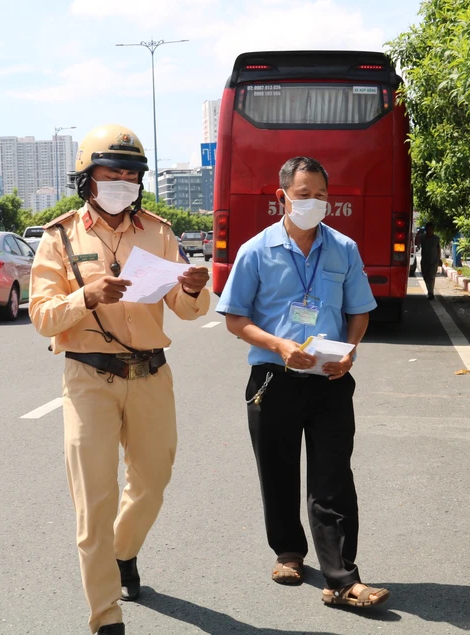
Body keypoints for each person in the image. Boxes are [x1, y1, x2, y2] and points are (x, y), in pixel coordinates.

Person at [29, 124, 211, 635]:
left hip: (151, 374)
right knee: (95, 501)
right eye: (112, 174)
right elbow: (42, 316)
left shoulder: (159, 232)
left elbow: (187, 309)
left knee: (152, 483)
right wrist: (86, 296)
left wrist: (194, 286)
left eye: (131, 175)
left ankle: (123, 553)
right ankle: (106, 618)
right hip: (89, 379)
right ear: (87, 180)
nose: (123, 183)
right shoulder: (60, 237)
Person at [216, 156, 390, 610]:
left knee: (333, 477)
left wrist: (350, 351)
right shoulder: (256, 250)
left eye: (320, 195)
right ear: (282, 198)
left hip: (330, 379)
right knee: (277, 471)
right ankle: (289, 553)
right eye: (303, 193)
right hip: (274, 378)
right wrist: (279, 346)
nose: (313, 202)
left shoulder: (344, 249)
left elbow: (360, 312)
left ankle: (342, 577)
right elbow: (236, 319)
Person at [418, 222, 441, 299]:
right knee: (425, 277)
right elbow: (416, 242)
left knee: (431, 277)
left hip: (434, 261)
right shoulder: (423, 238)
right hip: (425, 261)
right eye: (428, 229)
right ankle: (429, 290)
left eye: (431, 229)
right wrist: (418, 233)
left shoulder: (436, 238)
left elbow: (438, 249)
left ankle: (430, 292)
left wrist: (439, 259)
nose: (430, 231)